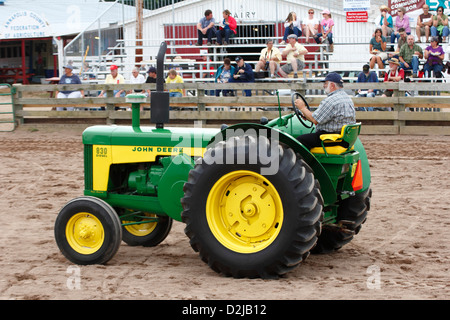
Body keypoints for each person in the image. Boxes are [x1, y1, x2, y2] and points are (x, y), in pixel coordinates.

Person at [294, 72, 355, 150]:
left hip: (331, 139)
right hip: (344, 138)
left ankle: (305, 162)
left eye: (326, 83)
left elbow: (315, 120)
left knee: (299, 141)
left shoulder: (331, 100)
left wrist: (302, 108)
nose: (324, 86)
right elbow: (323, 117)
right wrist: (306, 114)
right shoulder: (347, 98)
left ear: (332, 85)